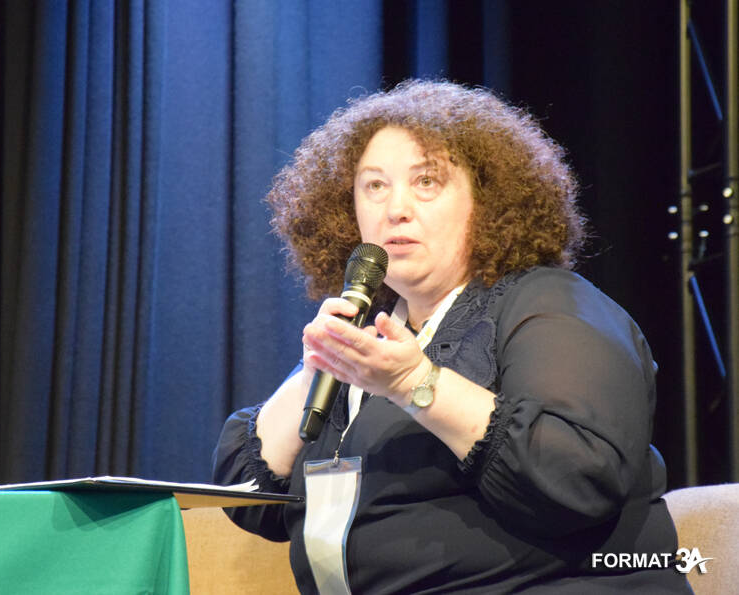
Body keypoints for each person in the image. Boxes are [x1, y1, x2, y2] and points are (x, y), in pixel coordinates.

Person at [212, 80, 692, 594]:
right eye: (374, 186)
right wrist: (318, 366)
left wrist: (414, 382)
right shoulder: (372, 333)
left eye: (426, 182)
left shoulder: (551, 303)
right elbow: (248, 497)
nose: (395, 208)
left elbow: (577, 477)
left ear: (486, 201)